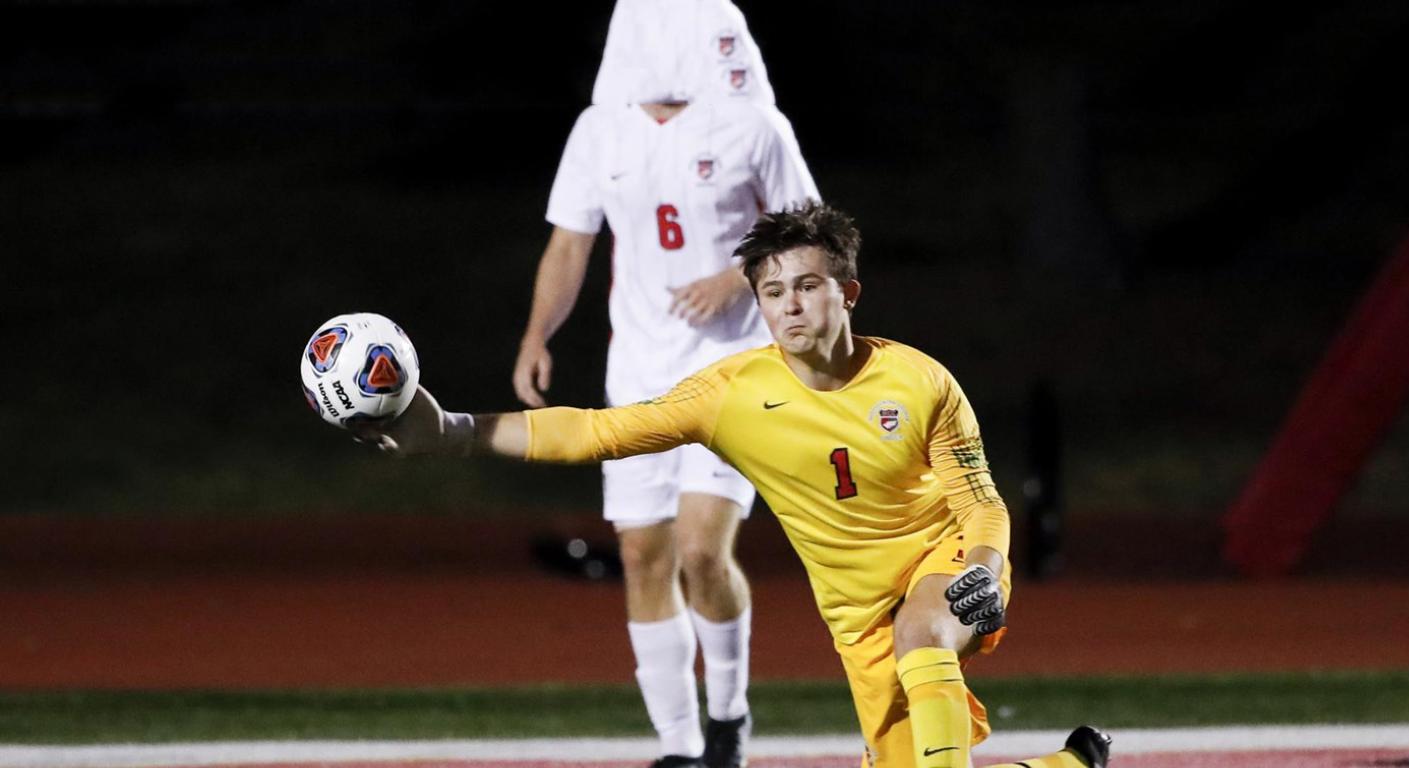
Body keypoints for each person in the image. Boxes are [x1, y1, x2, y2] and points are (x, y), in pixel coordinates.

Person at [361, 202, 1112, 768]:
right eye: (772, 289)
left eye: (808, 285)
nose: (789, 303)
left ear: (848, 293)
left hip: (946, 570)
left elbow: (981, 502)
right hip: (856, 618)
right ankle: (1070, 765)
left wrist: (981, 572)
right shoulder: (729, 394)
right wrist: (452, 431)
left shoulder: (921, 383)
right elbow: (595, 432)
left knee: (923, 630)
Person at [511, 1, 818, 765]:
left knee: (699, 550)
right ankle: (680, 746)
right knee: (644, 556)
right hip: (639, 379)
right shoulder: (600, 130)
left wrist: (738, 277)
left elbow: (809, 235)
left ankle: (729, 714)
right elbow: (569, 245)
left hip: (737, 372)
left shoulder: (753, 126)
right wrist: (535, 336)